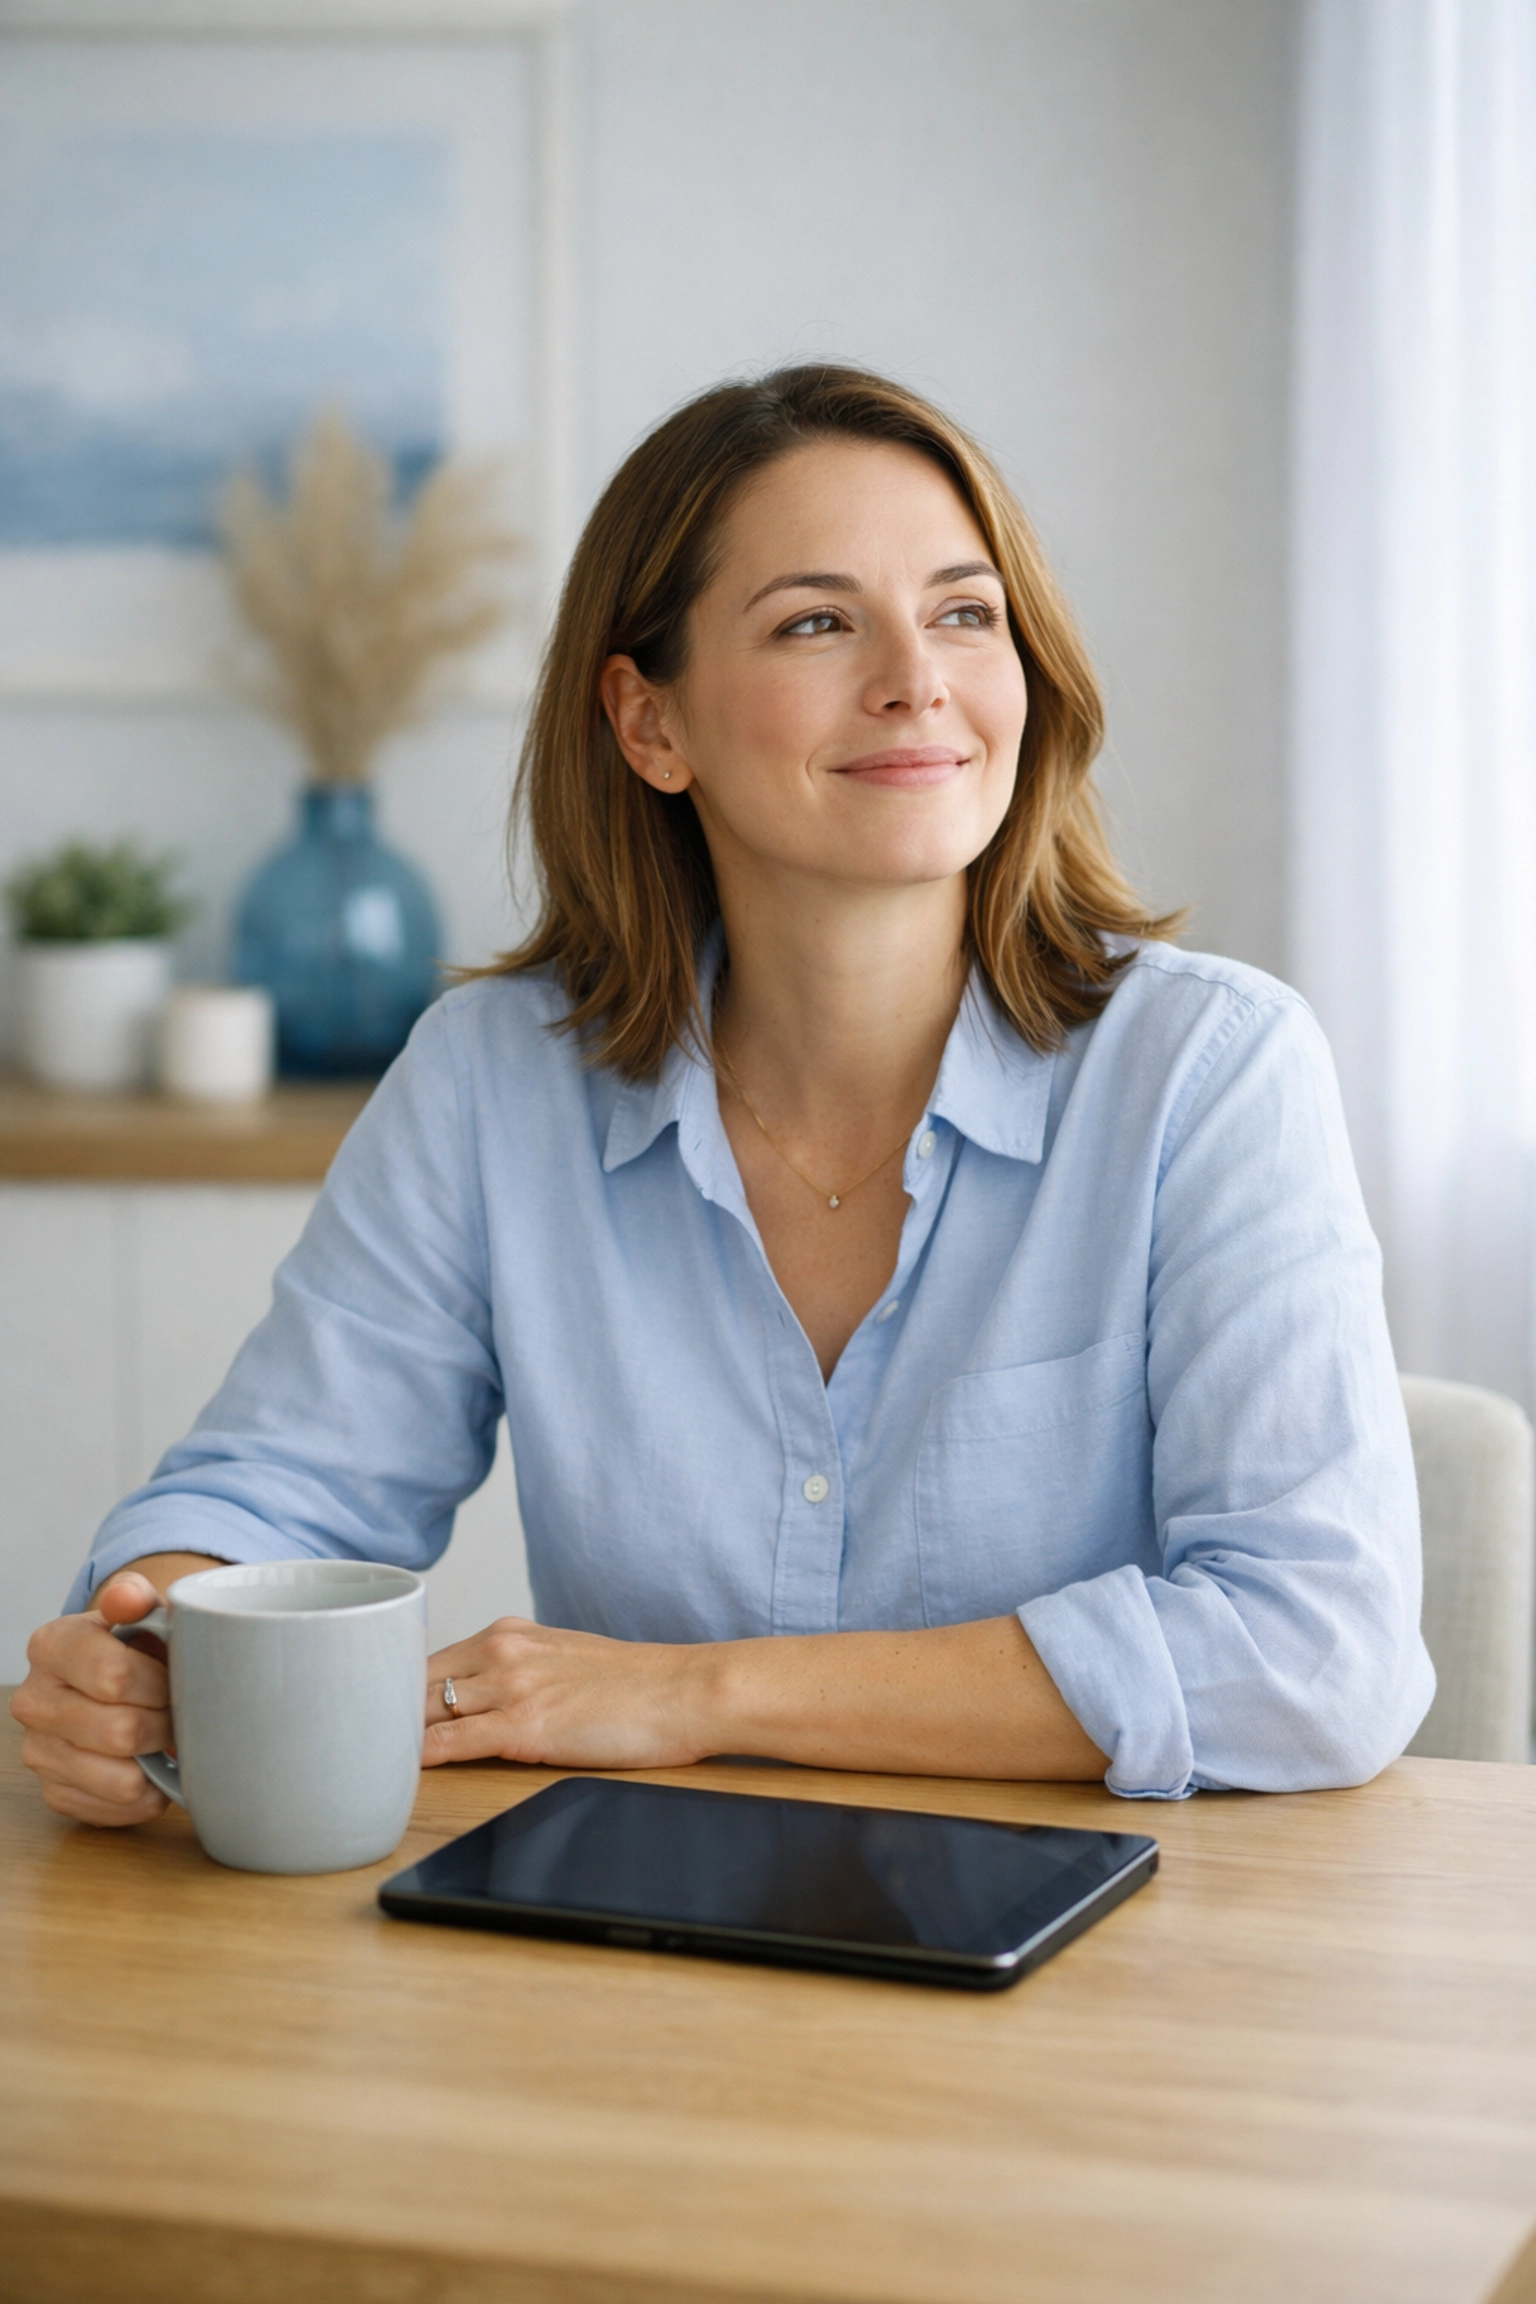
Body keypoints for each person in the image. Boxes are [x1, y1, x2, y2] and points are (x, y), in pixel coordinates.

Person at [12, 364, 1434, 1829]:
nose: (916, 680)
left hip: (1112, 1967)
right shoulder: (493, 1082)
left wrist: (696, 1692)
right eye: (819, 622)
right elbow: (278, 1488)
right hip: (651, 1966)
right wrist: (149, 1642)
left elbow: (1317, 1651)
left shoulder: (1212, 1074)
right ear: (649, 724)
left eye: (963, 611)